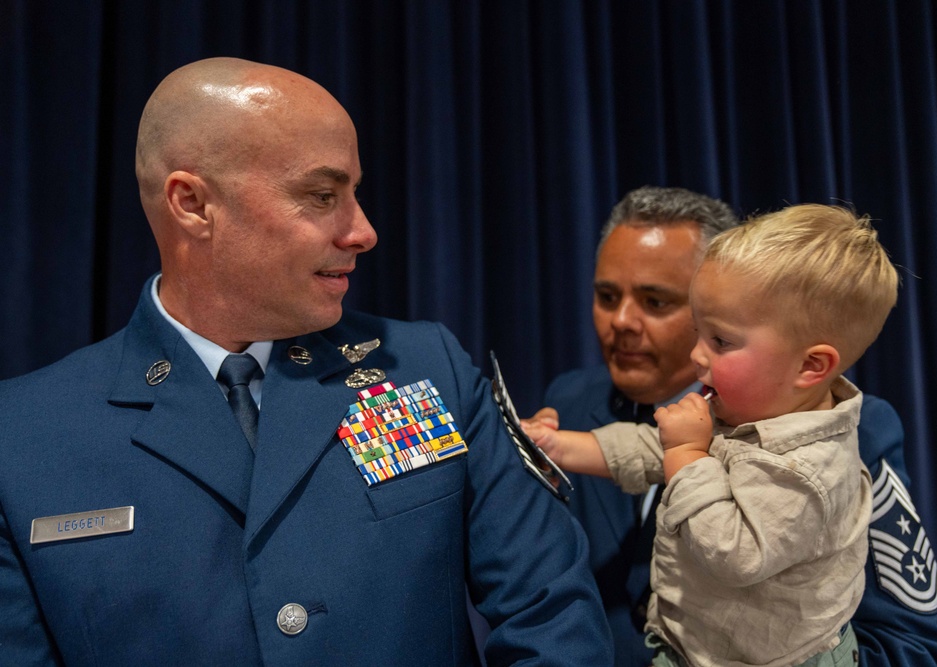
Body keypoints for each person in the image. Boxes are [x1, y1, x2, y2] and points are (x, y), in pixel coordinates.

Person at [0, 57, 613, 666]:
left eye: (354, 193)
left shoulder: (426, 367)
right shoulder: (21, 438)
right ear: (192, 204)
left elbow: (553, 619)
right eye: (322, 195)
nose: (364, 231)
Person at [532, 187, 937, 666]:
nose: (623, 321)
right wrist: (536, 457)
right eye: (607, 296)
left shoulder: (850, 434)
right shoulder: (569, 401)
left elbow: (921, 644)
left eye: (656, 302)